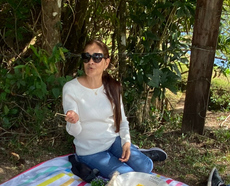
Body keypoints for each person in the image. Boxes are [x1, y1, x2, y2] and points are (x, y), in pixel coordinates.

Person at [63, 39, 167, 178]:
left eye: (97, 57)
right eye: (86, 57)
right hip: (90, 151)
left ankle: (137, 151)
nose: (91, 62)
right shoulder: (71, 88)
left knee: (146, 166)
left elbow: (122, 121)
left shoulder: (112, 87)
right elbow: (74, 133)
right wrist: (73, 121)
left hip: (112, 141)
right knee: (127, 176)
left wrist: (126, 142)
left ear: (106, 62)